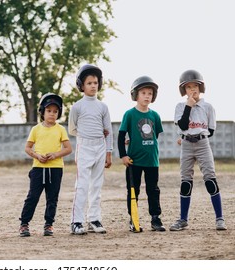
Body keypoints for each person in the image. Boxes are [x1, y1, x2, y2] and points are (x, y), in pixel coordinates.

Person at [170, 70, 227, 231]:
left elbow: (211, 130)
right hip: (187, 145)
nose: (192, 90)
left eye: (195, 86)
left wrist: (197, 135)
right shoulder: (180, 106)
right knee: (185, 181)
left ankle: (219, 218)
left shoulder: (208, 107)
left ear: (201, 87)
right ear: (184, 91)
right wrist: (189, 106)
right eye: (188, 87)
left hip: (203, 144)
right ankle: (183, 219)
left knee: (210, 179)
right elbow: (182, 126)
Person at [19, 93, 72, 237]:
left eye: (55, 111)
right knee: (33, 197)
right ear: (42, 112)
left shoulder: (60, 129)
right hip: (38, 168)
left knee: (52, 198)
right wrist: (36, 155)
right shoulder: (36, 129)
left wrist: (55, 154)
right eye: (49, 111)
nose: (52, 114)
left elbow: (68, 148)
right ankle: (24, 224)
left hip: (55, 169)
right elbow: (28, 148)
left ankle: (49, 225)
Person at [68, 64, 113, 235]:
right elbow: (72, 129)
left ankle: (94, 219)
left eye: (95, 82)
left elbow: (108, 130)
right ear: (82, 85)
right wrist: (85, 136)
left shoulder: (103, 107)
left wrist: (109, 152)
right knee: (82, 185)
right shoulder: (77, 107)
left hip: (100, 147)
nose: (93, 86)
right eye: (89, 83)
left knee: (96, 185)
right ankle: (76, 221)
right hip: (84, 146)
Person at [118, 76, 166, 232]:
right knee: (133, 190)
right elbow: (121, 136)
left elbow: (155, 135)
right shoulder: (129, 114)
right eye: (143, 92)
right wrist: (123, 155)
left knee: (153, 190)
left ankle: (155, 219)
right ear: (135, 95)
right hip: (134, 160)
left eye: (150, 93)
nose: (147, 96)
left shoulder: (155, 116)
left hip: (152, 160)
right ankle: (134, 219)